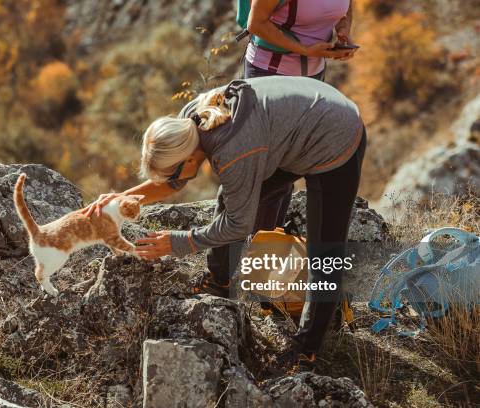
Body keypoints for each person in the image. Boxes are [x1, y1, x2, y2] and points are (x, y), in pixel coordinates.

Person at [84, 76, 366, 368]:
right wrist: (119, 199)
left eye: (172, 172)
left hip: (336, 135)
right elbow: (170, 183)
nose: (171, 179)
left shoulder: (234, 152)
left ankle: (307, 348)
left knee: (325, 251)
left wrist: (179, 242)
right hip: (295, 125)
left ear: (190, 160)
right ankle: (219, 280)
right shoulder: (187, 124)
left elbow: (238, 224)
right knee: (228, 196)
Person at [208, 0, 358, 300]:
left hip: (312, 77)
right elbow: (256, 23)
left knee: (287, 172)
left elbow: (346, 6)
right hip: (269, 76)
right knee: (251, 172)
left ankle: (260, 274)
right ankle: (218, 278)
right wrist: (306, 50)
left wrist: (342, 30)